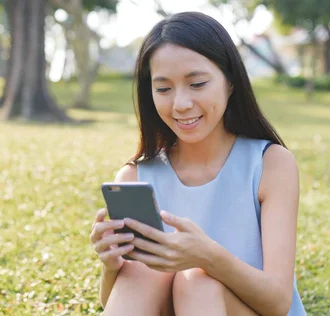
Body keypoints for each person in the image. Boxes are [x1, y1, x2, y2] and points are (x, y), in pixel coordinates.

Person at [89, 11, 306, 316]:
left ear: (230, 82)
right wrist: (111, 266)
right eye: (163, 89)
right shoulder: (135, 176)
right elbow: (122, 301)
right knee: (143, 271)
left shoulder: (271, 165)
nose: (180, 104)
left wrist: (208, 257)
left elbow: (278, 303)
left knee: (197, 282)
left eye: (197, 84)